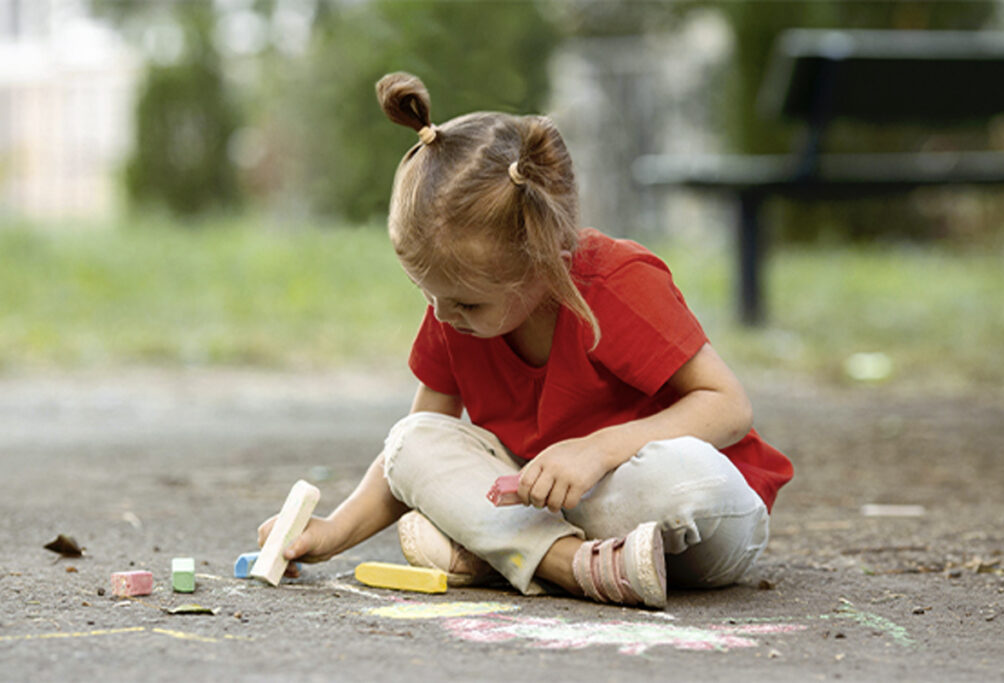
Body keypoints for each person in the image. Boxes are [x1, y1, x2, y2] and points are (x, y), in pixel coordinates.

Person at [258, 72, 793, 609]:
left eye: (467, 302)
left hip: (681, 516)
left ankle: (499, 550)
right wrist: (333, 532)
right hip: (552, 511)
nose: (444, 315)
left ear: (546, 262)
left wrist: (596, 451)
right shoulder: (453, 310)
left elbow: (729, 407)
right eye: (427, 294)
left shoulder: (617, 283)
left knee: (681, 479)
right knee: (411, 439)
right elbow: (418, 448)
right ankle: (569, 564)